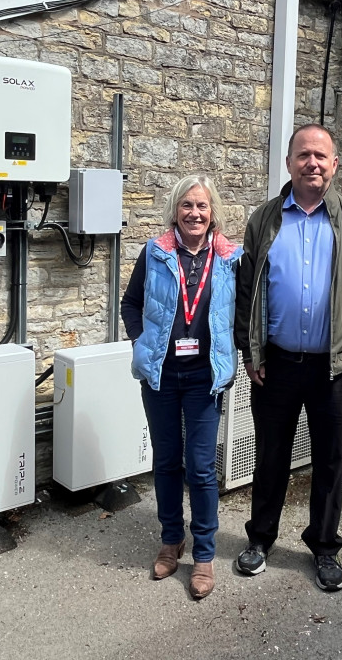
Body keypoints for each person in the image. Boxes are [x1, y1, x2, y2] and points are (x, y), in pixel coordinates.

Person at [234, 123, 342, 591]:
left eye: (322, 156)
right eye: (304, 155)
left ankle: (324, 547)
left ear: (335, 164)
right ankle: (260, 539)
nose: (313, 163)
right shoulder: (264, 220)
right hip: (277, 365)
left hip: (336, 367)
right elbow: (248, 294)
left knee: (330, 462)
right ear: (288, 163)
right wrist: (250, 352)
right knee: (270, 459)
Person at [121, 175, 242, 600]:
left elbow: (243, 313)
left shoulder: (229, 259)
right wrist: (140, 340)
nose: (194, 213)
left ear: (213, 214)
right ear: (176, 209)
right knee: (168, 460)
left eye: (202, 207)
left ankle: (204, 555)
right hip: (161, 375)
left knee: (203, 466)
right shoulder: (154, 253)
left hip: (204, 378)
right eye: (187, 205)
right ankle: (172, 540)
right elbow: (130, 303)